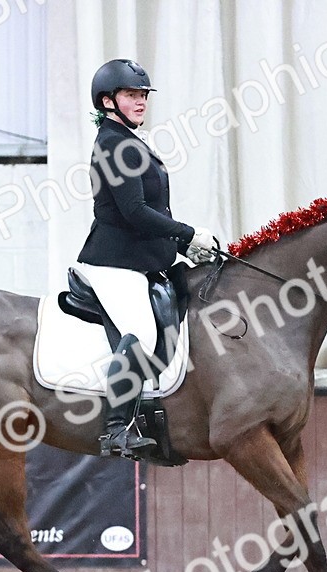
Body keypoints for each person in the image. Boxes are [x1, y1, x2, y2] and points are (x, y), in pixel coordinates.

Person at [75, 58, 219, 458]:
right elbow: (134, 212)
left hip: (142, 259)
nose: (140, 102)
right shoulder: (112, 144)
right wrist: (187, 233)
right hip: (113, 264)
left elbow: (150, 215)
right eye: (131, 95)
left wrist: (183, 247)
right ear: (108, 101)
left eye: (143, 96)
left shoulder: (130, 140)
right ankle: (117, 428)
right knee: (142, 331)